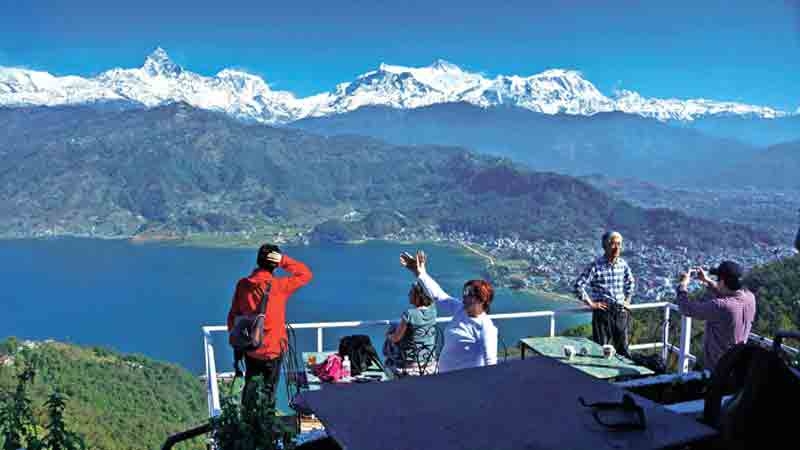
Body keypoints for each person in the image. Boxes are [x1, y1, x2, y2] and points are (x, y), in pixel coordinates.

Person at [227, 243, 312, 410]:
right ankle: (265, 426)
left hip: (251, 347)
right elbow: (305, 274)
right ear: (275, 263)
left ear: (258, 261)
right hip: (273, 349)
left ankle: (248, 424)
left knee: (251, 388)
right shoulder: (279, 286)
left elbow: (233, 317)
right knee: (269, 392)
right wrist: (284, 260)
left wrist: (238, 339)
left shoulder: (243, 285)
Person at [401, 250, 497, 373]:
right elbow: (439, 295)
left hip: (466, 383)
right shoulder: (461, 310)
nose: (464, 296)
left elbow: (491, 365)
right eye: (464, 292)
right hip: (445, 376)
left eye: (469, 294)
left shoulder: (486, 328)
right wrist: (420, 273)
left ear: (481, 300)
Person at [676, 261, 756, 371]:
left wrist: (682, 285)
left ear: (722, 282)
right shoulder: (750, 298)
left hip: (715, 368)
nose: (717, 281)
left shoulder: (721, 306)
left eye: (718, 279)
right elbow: (729, 295)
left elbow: (686, 308)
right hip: (736, 365)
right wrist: (707, 281)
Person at [573, 231, 636, 357]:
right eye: (613, 244)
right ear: (604, 246)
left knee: (622, 349)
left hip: (620, 311)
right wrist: (591, 304)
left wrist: (627, 301)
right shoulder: (595, 266)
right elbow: (578, 285)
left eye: (619, 244)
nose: (617, 247)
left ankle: (623, 377)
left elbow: (631, 283)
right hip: (603, 311)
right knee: (600, 348)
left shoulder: (623, 264)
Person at [384, 279, 438, 376]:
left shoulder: (409, 314)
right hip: (429, 361)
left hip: (412, 364)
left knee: (390, 341)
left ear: (417, 296)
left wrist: (388, 335)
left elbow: (396, 338)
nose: (408, 295)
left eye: (411, 293)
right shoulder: (433, 311)